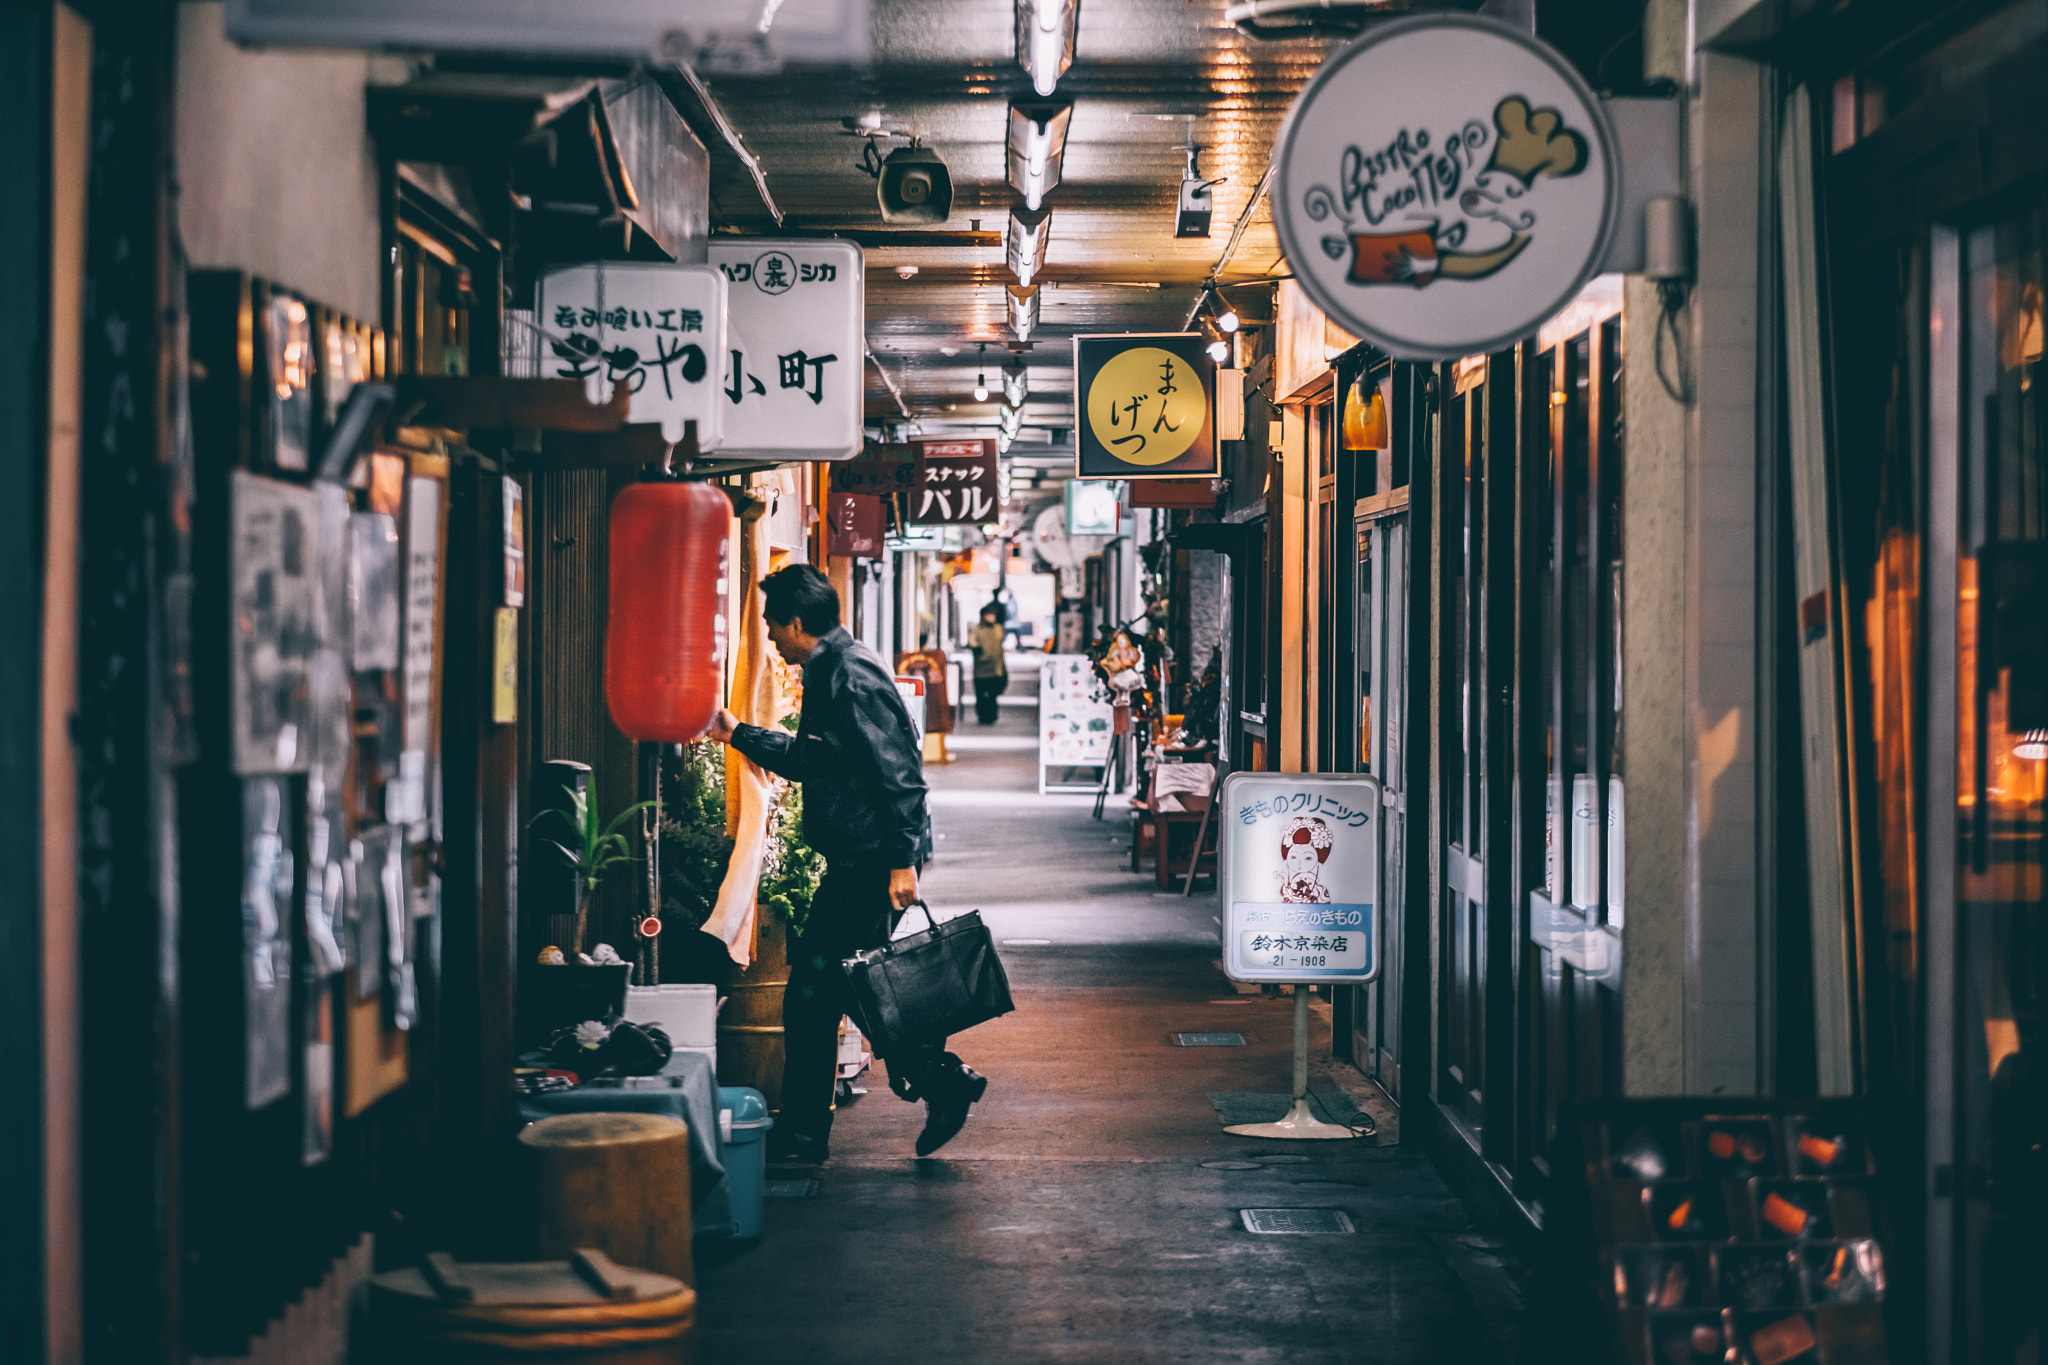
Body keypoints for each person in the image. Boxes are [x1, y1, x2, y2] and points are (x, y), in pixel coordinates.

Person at [708, 565, 988, 1162]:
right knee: (853, 991)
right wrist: (739, 735)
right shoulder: (831, 667)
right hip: (857, 862)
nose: (770, 637)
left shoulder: (849, 673)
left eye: (772, 625)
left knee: (813, 995)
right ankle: (940, 1081)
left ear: (798, 622)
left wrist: (903, 861)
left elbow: (901, 773)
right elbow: (818, 760)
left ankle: (807, 1135)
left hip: (867, 866)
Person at [968, 604, 1008, 726]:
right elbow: (972, 641)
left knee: (992, 694)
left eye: (993, 615)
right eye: (989, 615)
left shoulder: (998, 628)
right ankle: (982, 715)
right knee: (981, 694)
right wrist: (976, 649)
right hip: (981, 669)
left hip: (996, 668)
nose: (991, 617)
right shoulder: (976, 629)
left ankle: (991, 715)